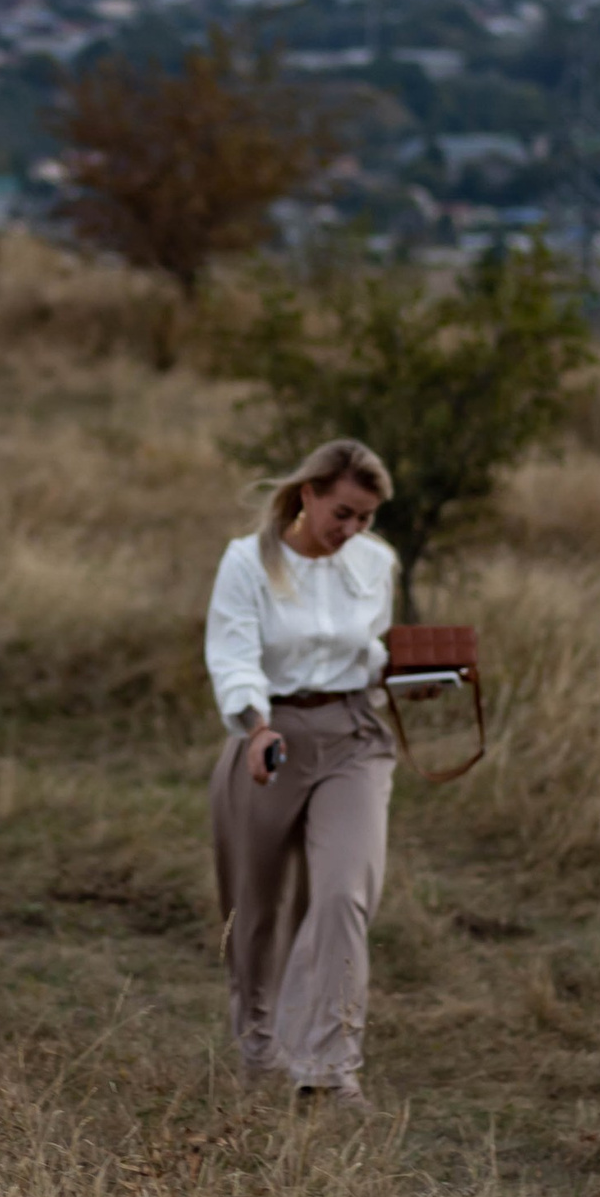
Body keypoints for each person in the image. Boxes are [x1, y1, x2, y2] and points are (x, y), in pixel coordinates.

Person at [204, 438, 398, 1104]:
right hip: (270, 735)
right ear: (308, 493)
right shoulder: (247, 561)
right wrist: (254, 724)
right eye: (342, 512)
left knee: (345, 892)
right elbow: (233, 653)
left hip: (352, 736)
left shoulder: (375, 563)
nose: (352, 530)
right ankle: (260, 1045)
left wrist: (410, 677)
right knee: (257, 905)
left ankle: (327, 1066)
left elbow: (367, 650)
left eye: (366, 517)